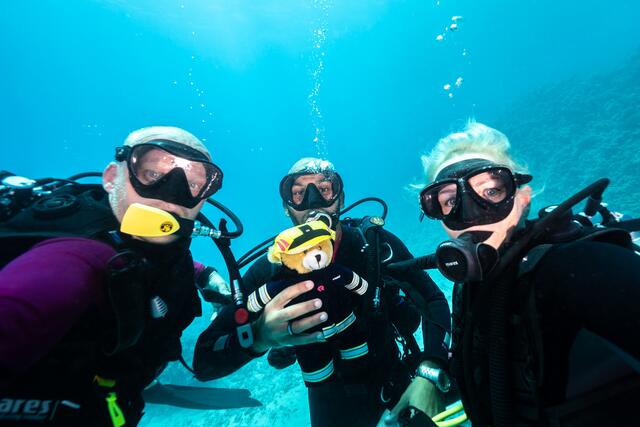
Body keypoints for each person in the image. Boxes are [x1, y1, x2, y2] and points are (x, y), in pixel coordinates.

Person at [193, 157, 452, 427]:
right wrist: (260, 336)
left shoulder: (374, 246)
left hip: (393, 378)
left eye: (324, 189)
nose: (313, 202)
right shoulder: (271, 269)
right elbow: (205, 359)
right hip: (327, 399)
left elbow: (432, 299)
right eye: (298, 193)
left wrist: (430, 371)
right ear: (287, 208)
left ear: (340, 199)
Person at [414, 121, 640, 426]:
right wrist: (430, 379)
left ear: (523, 198)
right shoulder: (469, 286)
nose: (469, 214)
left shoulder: (575, 266)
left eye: (491, 190)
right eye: (451, 201)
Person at [0, 126, 228, 426]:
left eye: (194, 183)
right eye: (153, 174)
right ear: (111, 178)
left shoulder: (160, 248)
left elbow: (155, 260)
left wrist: (204, 274)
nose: (173, 194)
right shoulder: (76, 256)